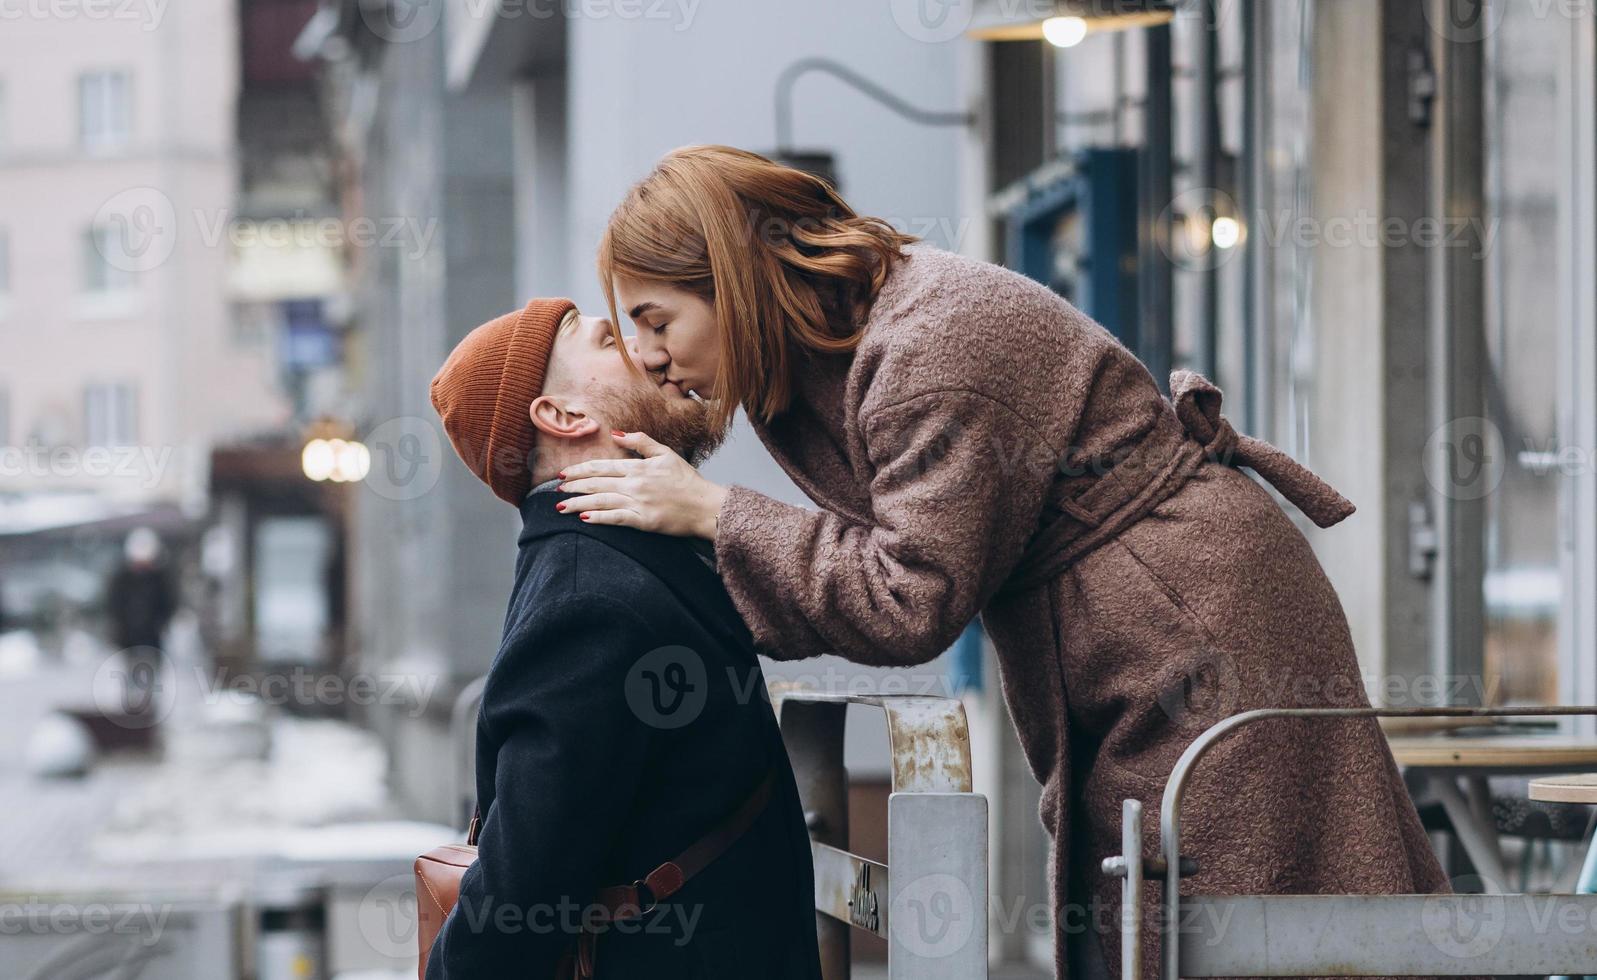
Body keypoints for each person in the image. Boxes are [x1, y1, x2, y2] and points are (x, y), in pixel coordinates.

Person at [555, 145, 1456, 978]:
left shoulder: (928, 352)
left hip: (1193, 620)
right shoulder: (834, 354)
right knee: (1160, 912)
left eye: (654, 318)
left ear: (735, 282)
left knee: (1231, 916)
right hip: (1146, 613)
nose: (645, 353)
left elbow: (907, 598)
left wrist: (715, 514)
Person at [425, 297, 821, 979]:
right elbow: (520, 891)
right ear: (564, 416)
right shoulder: (591, 597)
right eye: (610, 340)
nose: (650, 351)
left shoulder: (626, 560)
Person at [105, 526, 177, 718]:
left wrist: (160, 626)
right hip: (129, 640)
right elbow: (114, 608)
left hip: (152, 640)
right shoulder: (121, 580)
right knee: (130, 678)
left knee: (152, 681)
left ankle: (150, 716)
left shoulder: (159, 580)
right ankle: (131, 716)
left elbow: (168, 606)